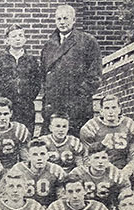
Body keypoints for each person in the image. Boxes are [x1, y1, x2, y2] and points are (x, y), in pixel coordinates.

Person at [40, 4, 102, 136]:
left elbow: (95, 75)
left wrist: (78, 97)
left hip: (77, 107)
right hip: (53, 106)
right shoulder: (48, 46)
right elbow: (44, 76)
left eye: (66, 18)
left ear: (74, 20)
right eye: (59, 19)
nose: (62, 22)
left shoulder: (87, 41)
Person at [79, 94, 134, 210]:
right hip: (101, 169)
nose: (110, 112)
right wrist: (106, 169)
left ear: (119, 109)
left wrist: (129, 167)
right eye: (107, 108)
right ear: (101, 111)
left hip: (124, 168)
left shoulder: (129, 126)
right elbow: (87, 157)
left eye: (113, 108)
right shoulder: (91, 128)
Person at [0, 24, 41, 134]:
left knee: (25, 134)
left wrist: (28, 96)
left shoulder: (31, 60)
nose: (17, 39)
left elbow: (37, 82)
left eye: (20, 36)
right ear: (7, 40)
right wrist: (1, 100)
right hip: (5, 107)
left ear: (25, 39)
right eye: (14, 36)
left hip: (26, 106)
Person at [0, 139, 66, 207]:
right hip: (24, 209)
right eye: (35, 154)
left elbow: (64, 195)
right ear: (29, 156)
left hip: (48, 208)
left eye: (42, 154)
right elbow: (4, 192)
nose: (39, 158)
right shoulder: (18, 169)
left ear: (48, 155)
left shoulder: (56, 170)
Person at [69, 142, 130, 210]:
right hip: (83, 209)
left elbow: (125, 188)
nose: (100, 162)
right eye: (96, 158)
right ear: (89, 160)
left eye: (103, 158)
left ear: (108, 160)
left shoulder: (114, 172)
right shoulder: (79, 173)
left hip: (107, 209)